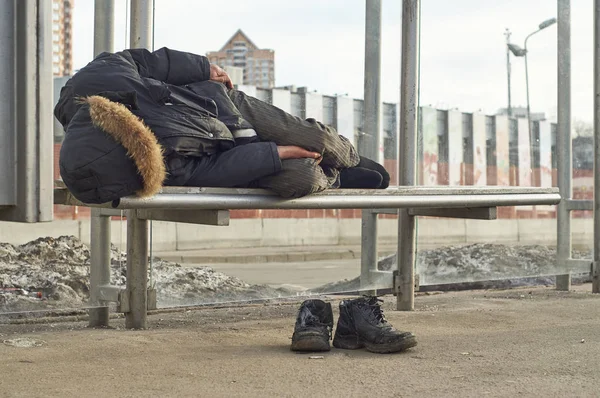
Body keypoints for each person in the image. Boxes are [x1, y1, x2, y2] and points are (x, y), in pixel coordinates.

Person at [54, 47, 389, 204]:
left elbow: (141, 60)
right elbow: (214, 169)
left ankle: (349, 159)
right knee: (300, 175)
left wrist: (203, 68)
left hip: (223, 104)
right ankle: (336, 175)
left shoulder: (96, 82)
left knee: (317, 138)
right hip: (232, 149)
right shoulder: (152, 168)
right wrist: (276, 154)